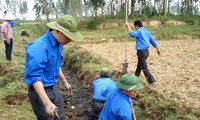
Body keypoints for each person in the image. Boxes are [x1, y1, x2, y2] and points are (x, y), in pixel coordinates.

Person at [24, 15, 84, 120]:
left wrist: (65, 81)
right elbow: (35, 78)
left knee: (60, 117)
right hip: (40, 91)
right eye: (67, 36)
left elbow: (56, 65)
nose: (70, 40)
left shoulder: (58, 44)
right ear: (57, 31)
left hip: (53, 87)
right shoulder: (39, 47)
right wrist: (46, 103)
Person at [125, 20, 160, 84]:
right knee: (139, 66)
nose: (135, 28)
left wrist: (128, 26)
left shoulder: (139, 31)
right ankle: (136, 77)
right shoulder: (147, 32)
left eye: (135, 27)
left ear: (137, 26)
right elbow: (153, 41)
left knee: (144, 68)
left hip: (141, 52)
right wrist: (158, 49)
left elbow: (131, 34)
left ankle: (152, 81)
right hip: (146, 52)